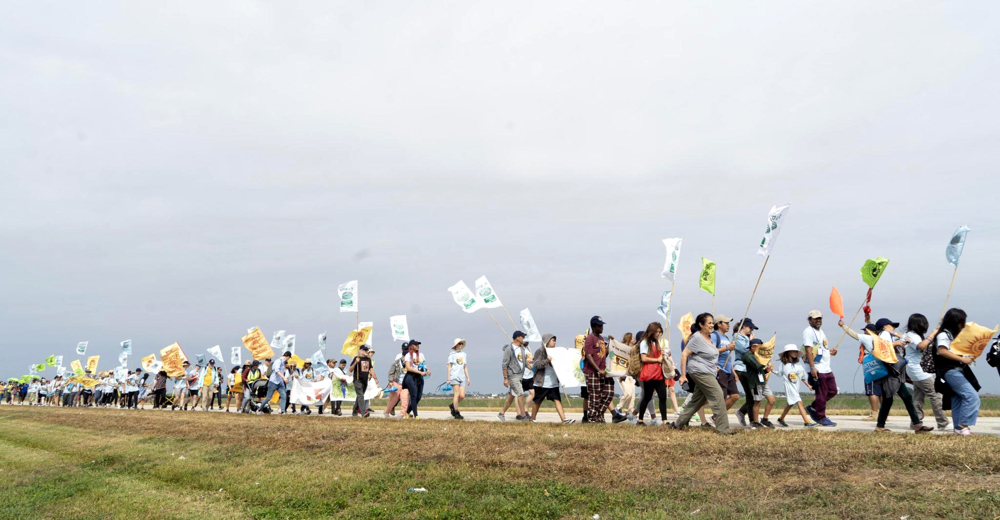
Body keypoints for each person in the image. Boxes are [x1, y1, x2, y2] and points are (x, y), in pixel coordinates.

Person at [869, 317, 933, 433]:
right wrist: (895, 343)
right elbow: (881, 349)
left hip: (893, 372)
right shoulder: (884, 334)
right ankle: (881, 426)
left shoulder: (889, 335)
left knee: (904, 397)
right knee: (892, 398)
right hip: (889, 371)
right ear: (885, 327)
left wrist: (897, 336)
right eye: (892, 326)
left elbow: (907, 340)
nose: (894, 328)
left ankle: (916, 424)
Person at [670, 313, 731, 434]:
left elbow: (709, 356)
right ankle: (723, 430)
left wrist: (715, 366)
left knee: (696, 400)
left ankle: (678, 424)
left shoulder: (709, 338)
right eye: (709, 323)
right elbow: (684, 355)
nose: (712, 325)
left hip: (709, 371)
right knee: (718, 395)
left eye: (712, 323)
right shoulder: (697, 337)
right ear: (701, 324)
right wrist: (683, 375)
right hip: (699, 372)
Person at [934, 308, 980, 436]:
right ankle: (963, 425)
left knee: (958, 399)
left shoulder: (951, 335)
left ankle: (958, 429)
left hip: (954, 370)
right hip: (950, 371)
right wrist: (962, 359)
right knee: (972, 396)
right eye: (962, 322)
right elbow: (942, 351)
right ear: (956, 322)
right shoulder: (944, 335)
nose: (963, 325)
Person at [902, 313, 950, 430]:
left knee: (918, 397)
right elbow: (921, 347)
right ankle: (943, 423)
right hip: (918, 371)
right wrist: (933, 333)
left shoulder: (915, 335)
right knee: (936, 395)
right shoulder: (911, 335)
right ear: (917, 324)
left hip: (916, 370)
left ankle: (915, 422)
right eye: (924, 323)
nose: (926, 325)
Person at [839, 318, 881, 420]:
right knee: (880, 392)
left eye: (865, 330)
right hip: (880, 366)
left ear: (869, 331)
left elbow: (853, 334)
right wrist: (869, 318)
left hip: (871, 367)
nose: (864, 332)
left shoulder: (867, 338)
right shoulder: (879, 338)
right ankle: (883, 414)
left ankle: (874, 414)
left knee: (871, 391)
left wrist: (843, 326)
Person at [803, 310, 838, 427]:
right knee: (821, 395)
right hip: (818, 368)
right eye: (815, 318)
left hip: (827, 367)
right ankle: (821, 417)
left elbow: (820, 348)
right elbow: (808, 350)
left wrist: (830, 352)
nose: (818, 320)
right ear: (809, 320)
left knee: (833, 391)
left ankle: (813, 407)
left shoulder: (821, 331)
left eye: (820, 318)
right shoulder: (808, 331)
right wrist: (812, 367)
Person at [530, 333, 575, 423]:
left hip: (553, 382)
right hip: (542, 382)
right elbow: (537, 364)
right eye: (553, 340)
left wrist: (565, 352)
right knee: (537, 401)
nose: (555, 342)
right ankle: (532, 419)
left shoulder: (556, 351)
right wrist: (547, 360)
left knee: (557, 400)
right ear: (546, 341)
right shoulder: (540, 351)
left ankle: (564, 419)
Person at [582, 316, 615, 424]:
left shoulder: (601, 339)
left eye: (602, 325)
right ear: (593, 326)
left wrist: (611, 344)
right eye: (599, 326)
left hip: (603, 370)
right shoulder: (590, 338)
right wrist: (597, 369)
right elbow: (588, 355)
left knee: (609, 392)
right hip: (592, 372)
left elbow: (604, 355)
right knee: (595, 395)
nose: (601, 328)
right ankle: (592, 417)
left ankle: (599, 414)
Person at [635, 322, 669, 426]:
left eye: (660, 332)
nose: (659, 334)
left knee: (663, 396)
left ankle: (665, 420)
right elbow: (644, 358)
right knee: (647, 397)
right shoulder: (645, 343)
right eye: (657, 332)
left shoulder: (657, 343)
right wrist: (657, 359)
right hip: (649, 373)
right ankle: (640, 419)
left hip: (658, 373)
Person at [775, 344, 817, 427]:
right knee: (799, 402)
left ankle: (781, 418)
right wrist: (771, 370)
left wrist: (808, 385)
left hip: (796, 386)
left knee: (791, 403)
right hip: (789, 386)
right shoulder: (783, 365)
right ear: (788, 352)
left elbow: (801, 377)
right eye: (793, 351)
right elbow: (779, 374)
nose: (795, 353)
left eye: (796, 351)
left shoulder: (798, 365)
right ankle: (806, 421)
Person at [498, 331, 531, 422]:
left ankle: (501, 413)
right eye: (522, 337)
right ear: (517, 337)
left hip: (520, 375)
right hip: (512, 375)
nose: (523, 338)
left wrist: (531, 368)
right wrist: (505, 378)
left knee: (511, 396)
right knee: (520, 394)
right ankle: (523, 415)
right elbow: (504, 365)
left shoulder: (522, 349)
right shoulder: (509, 349)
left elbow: (524, 362)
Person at [733, 318, 760, 427]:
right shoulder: (737, 336)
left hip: (749, 368)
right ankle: (752, 420)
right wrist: (750, 342)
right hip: (741, 367)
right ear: (744, 326)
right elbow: (744, 350)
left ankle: (742, 412)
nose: (752, 330)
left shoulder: (747, 337)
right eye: (750, 328)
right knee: (751, 394)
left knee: (752, 394)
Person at [712, 315, 741, 411]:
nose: (729, 325)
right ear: (719, 324)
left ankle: (718, 416)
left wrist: (733, 372)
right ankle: (719, 418)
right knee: (722, 397)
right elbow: (712, 351)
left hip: (728, 371)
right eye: (726, 323)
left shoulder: (726, 337)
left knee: (735, 396)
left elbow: (728, 357)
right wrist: (727, 347)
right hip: (720, 370)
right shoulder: (714, 336)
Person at [742, 339, 768, 428]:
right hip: (755, 382)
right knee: (757, 402)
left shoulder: (756, 356)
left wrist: (766, 370)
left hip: (761, 381)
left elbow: (760, 369)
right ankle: (755, 422)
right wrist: (765, 361)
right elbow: (757, 366)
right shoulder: (748, 356)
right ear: (753, 347)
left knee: (771, 399)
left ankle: (764, 419)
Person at [402, 340, 429, 418]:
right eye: (416, 345)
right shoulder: (408, 355)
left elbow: (423, 365)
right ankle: (416, 415)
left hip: (419, 377)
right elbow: (408, 368)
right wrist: (420, 372)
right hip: (411, 377)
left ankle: (407, 412)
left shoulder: (421, 355)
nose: (418, 346)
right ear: (411, 346)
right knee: (413, 395)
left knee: (418, 396)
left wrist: (427, 370)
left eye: (418, 345)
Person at [383, 344, 410, 418]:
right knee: (393, 400)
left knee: (405, 399)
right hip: (396, 383)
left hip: (406, 384)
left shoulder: (410, 364)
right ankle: (387, 412)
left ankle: (402, 414)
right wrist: (391, 381)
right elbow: (391, 372)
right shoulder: (396, 363)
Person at [447, 339, 470, 420]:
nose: (461, 345)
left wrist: (468, 377)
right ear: (456, 345)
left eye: (462, 344)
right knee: (456, 394)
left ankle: (453, 405)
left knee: (462, 396)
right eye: (459, 343)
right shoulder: (451, 355)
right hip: (454, 376)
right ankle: (456, 412)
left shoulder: (464, 354)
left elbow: (465, 366)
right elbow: (449, 367)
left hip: (462, 377)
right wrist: (448, 378)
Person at [614, 332, 636, 417]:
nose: (634, 339)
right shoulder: (622, 348)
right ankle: (618, 407)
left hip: (630, 374)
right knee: (628, 393)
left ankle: (629, 411)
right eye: (632, 338)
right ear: (629, 339)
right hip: (622, 374)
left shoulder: (632, 349)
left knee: (633, 395)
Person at [350, 346, 375, 417]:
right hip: (357, 380)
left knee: (359, 396)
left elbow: (371, 369)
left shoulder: (368, 359)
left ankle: (354, 412)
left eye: (366, 350)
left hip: (365, 380)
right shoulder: (356, 358)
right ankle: (363, 412)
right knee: (361, 396)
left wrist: (375, 378)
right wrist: (355, 362)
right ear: (360, 351)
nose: (366, 351)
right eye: (364, 350)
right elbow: (350, 369)